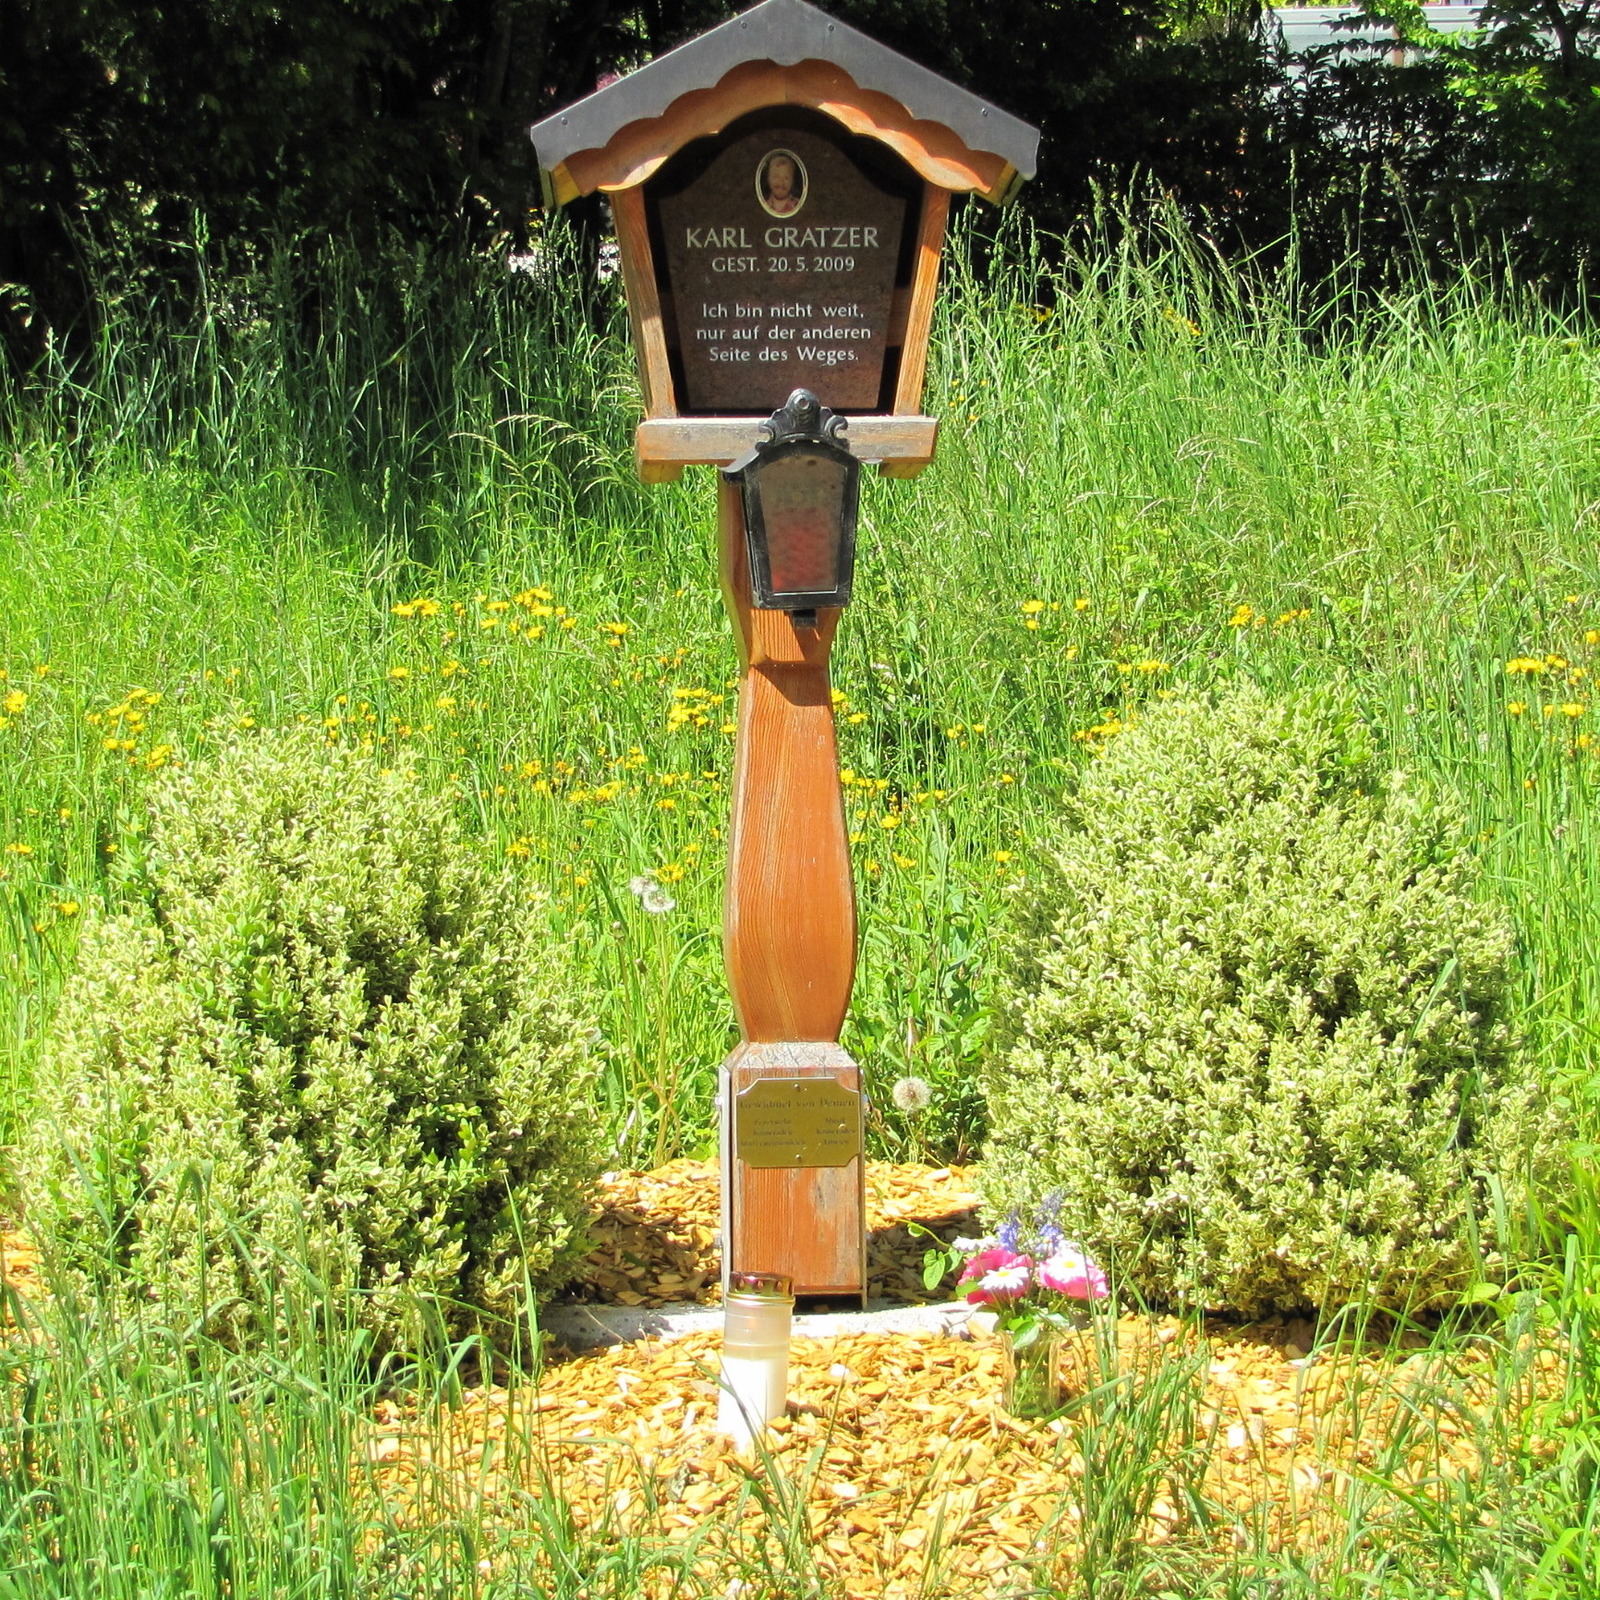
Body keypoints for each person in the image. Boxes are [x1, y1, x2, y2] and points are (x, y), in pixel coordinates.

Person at [759, 152, 804, 217]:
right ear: (768, 178)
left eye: (786, 178)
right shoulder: (760, 206)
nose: (781, 183)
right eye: (776, 177)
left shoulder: (801, 207)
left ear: (792, 181)